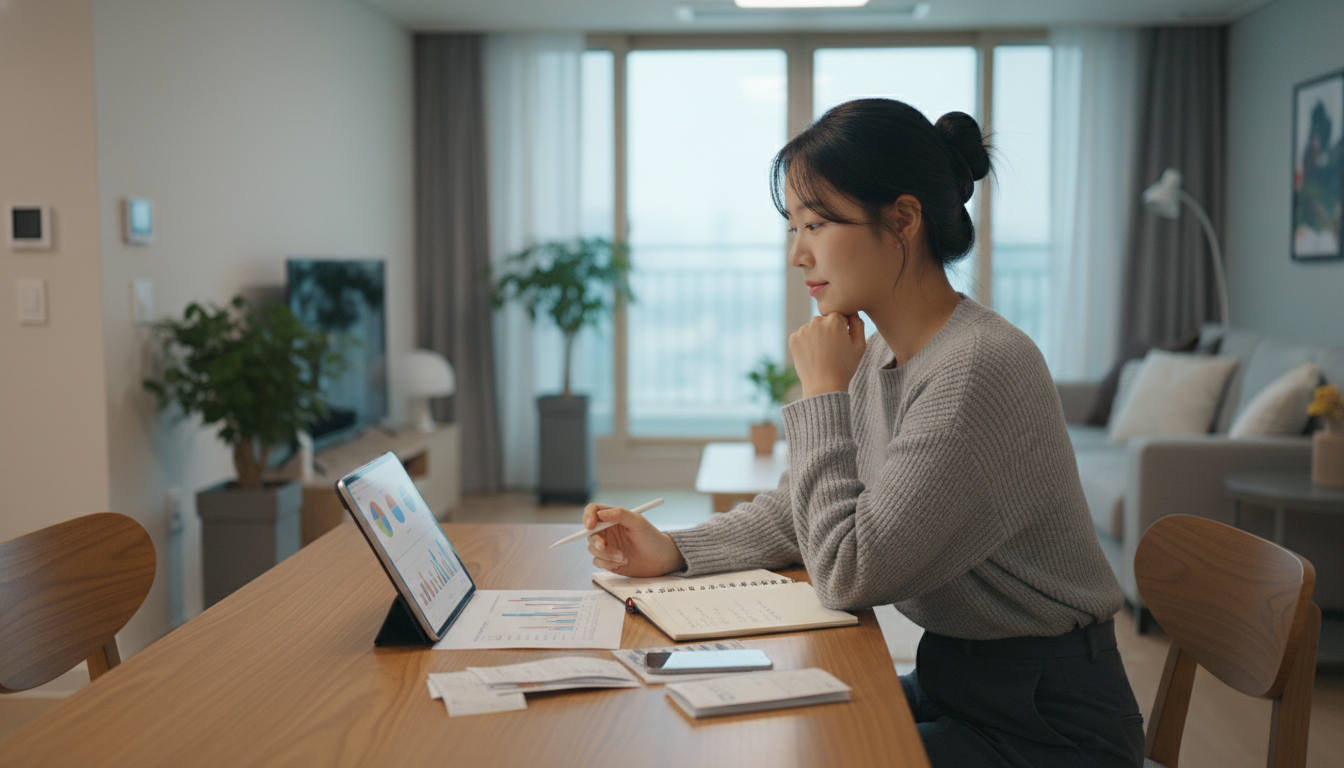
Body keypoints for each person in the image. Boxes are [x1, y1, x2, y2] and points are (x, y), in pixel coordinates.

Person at [582, 98, 1144, 768]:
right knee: (751, 725)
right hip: (959, 683)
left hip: (1048, 724)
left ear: (902, 219)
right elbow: (804, 515)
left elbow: (848, 571)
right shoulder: (883, 353)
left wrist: (821, 394)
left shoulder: (978, 368)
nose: (799, 254)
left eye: (816, 223)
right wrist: (674, 548)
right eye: (794, 227)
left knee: (805, 753)